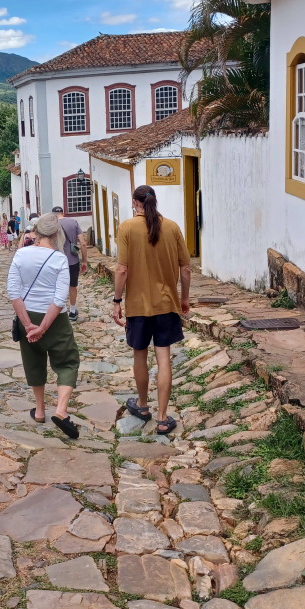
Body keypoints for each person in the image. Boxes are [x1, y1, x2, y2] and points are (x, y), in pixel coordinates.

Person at [112, 184, 192, 436]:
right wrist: (184, 299)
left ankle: (143, 405)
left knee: (140, 355)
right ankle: (163, 417)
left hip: (137, 305)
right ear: (154, 201)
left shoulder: (127, 227)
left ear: (135, 202)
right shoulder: (172, 227)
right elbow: (186, 269)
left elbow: (122, 269)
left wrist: (117, 300)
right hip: (167, 304)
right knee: (164, 358)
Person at [8, 212, 80, 439]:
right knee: (67, 362)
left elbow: (14, 292)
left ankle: (39, 410)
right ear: (57, 234)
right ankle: (60, 410)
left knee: (33, 362)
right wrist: (44, 327)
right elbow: (60, 299)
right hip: (54, 320)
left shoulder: (21, 255)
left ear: (36, 232)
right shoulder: (59, 259)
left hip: (27, 315)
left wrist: (29, 324)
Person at [51, 206, 88, 321]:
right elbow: (82, 243)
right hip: (72, 260)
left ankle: (58, 311)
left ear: (53, 214)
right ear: (63, 212)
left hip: (56, 260)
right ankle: (72, 311)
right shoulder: (73, 222)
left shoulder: (52, 225)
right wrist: (85, 261)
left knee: (56, 286)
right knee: (73, 285)